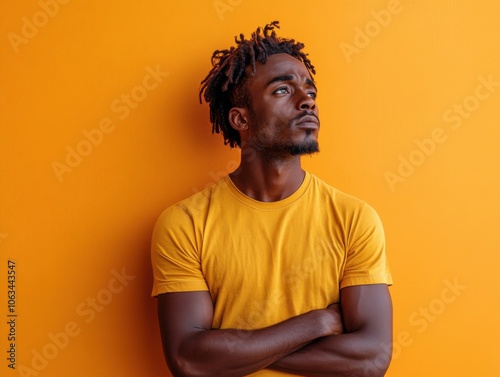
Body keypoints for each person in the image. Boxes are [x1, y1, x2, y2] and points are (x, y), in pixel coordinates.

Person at [151, 21, 393, 377]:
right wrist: (316, 322)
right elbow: (189, 361)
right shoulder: (185, 224)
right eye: (282, 90)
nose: (306, 99)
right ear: (240, 118)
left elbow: (371, 359)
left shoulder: (354, 218)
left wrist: (233, 350)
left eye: (309, 89)